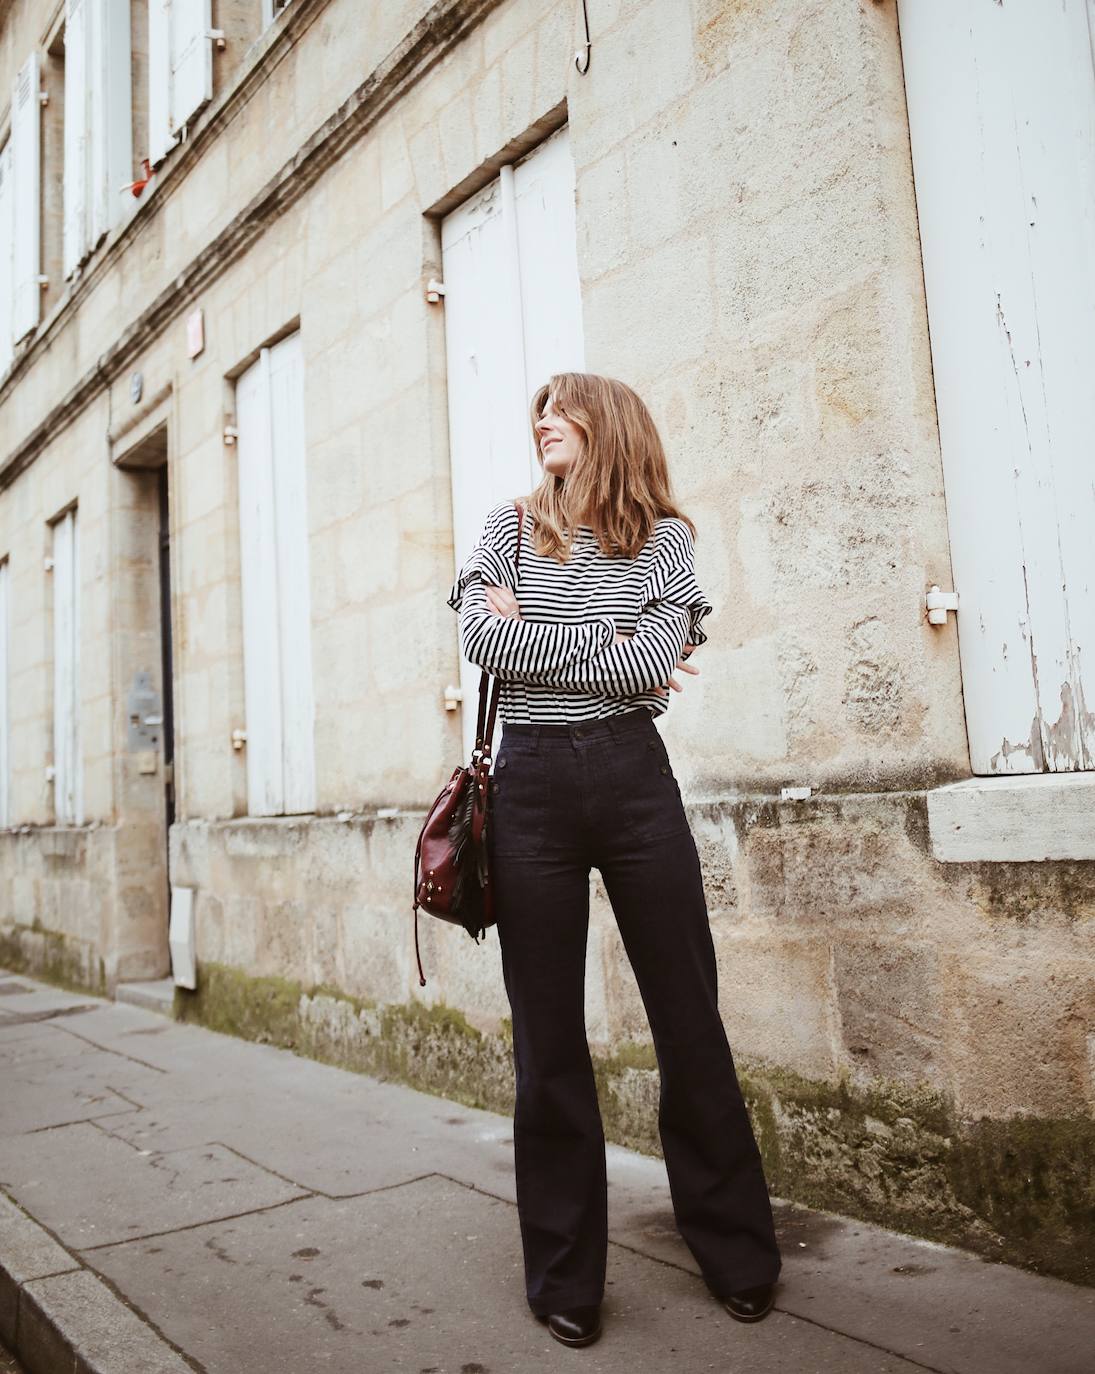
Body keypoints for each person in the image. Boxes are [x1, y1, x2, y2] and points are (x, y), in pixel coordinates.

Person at [446, 373, 781, 1348]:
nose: (541, 421)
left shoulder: (665, 539)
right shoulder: (510, 525)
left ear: (611, 426)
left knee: (688, 1016)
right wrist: (613, 637)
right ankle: (564, 1278)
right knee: (547, 1042)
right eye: (536, 412)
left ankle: (736, 1251)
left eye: (560, 408)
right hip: (534, 788)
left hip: (635, 785)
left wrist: (535, 635)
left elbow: (648, 667)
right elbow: (479, 637)